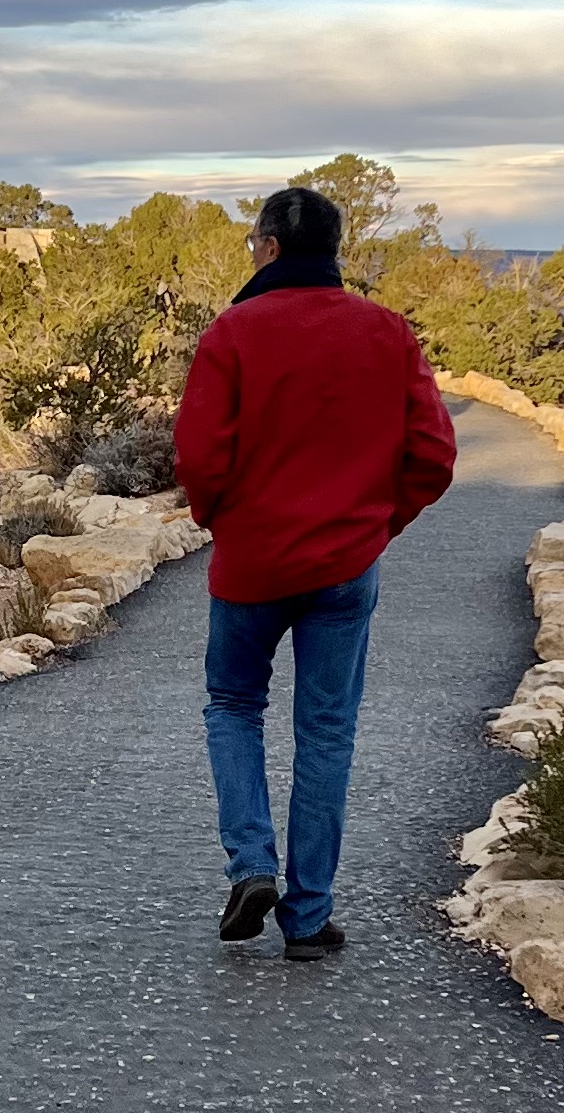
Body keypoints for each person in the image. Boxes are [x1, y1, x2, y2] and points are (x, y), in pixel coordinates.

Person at [171, 183, 459, 958]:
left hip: (251, 564)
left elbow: (199, 455)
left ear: (266, 247)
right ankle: (307, 917)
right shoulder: (387, 332)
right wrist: (375, 528)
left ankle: (251, 864)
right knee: (326, 732)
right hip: (345, 568)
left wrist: (221, 522)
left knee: (233, 704)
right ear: (334, 252)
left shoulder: (233, 332)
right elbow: (433, 455)